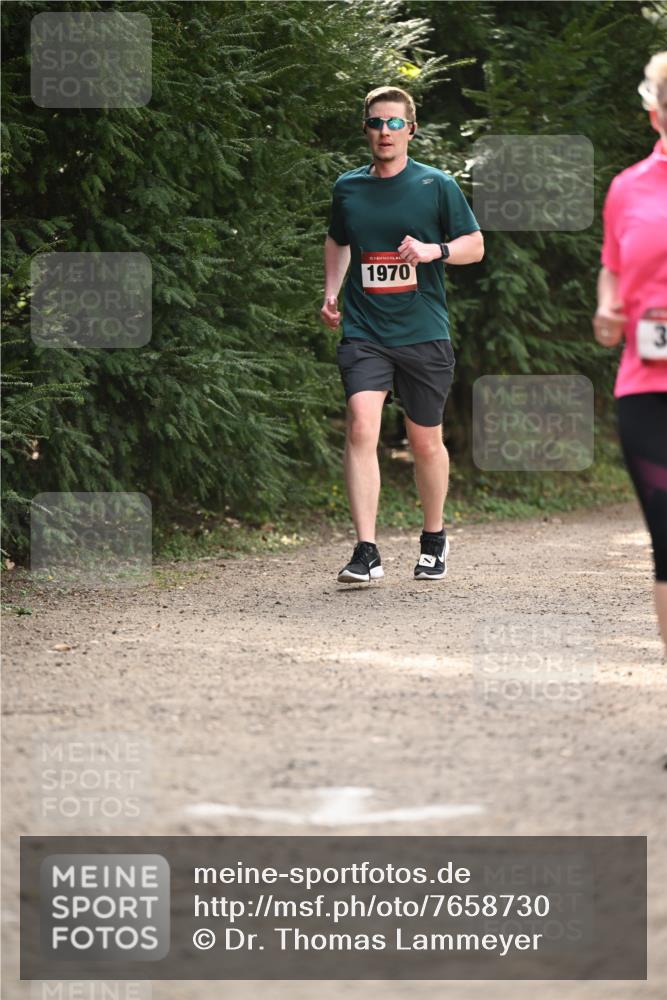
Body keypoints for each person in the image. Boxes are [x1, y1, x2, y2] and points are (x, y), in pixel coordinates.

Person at [321, 85, 484, 584]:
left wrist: (436, 250)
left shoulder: (435, 185)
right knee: (360, 427)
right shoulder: (348, 188)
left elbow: (475, 245)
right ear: (365, 128)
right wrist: (331, 292)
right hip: (365, 329)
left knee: (425, 441)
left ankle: (433, 539)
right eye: (376, 123)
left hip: (422, 332)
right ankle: (365, 551)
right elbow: (338, 239)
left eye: (395, 123)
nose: (385, 132)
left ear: (411, 129)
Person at [593, 51, 667, 651]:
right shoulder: (627, 188)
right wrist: (607, 308)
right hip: (647, 387)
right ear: (655, 112)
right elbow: (613, 269)